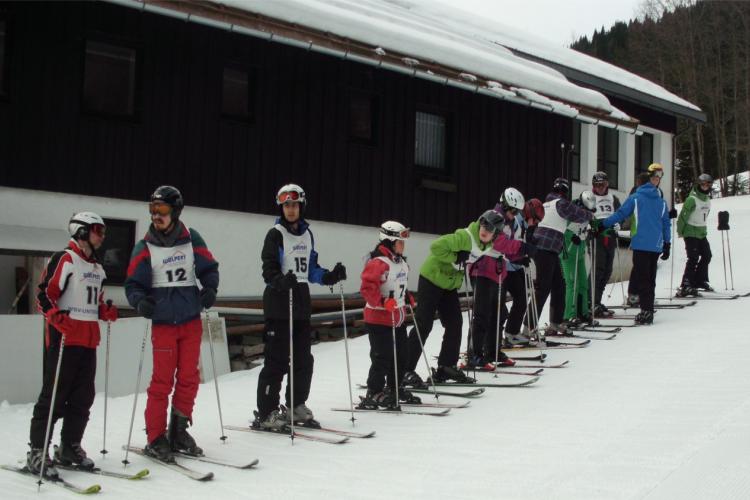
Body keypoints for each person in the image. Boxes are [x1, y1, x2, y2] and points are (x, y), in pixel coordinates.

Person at [125, 186, 220, 462]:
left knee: (189, 378)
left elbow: (208, 268)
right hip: (164, 322)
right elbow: (133, 284)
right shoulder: (144, 247)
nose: (157, 216)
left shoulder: (192, 239)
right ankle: (156, 437)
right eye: (153, 211)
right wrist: (140, 301)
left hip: (190, 319)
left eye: (162, 211)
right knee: (162, 382)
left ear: (175, 212)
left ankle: (178, 430)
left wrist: (210, 289)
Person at [28, 212, 118, 476]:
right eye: (97, 230)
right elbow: (44, 293)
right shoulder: (65, 259)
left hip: (88, 341)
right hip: (64, 338)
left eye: (103, 231)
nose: (102, 236)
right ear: (81, 231)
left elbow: (95, 302)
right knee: (54, 396)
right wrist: (54, 315)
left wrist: (105, 311)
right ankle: (37, 451)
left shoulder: (97, 267)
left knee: (82, 397)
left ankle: (69, 446)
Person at [253, 184, 346, 430]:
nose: (290, 210)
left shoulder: (307, 234)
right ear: (281, 208)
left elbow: (310, 268)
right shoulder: (276, 234)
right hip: (279, 300)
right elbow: (268, 268)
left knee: (304, 359)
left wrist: (329, 276)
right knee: (277, 360)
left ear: (301, 206)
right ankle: (267, 412)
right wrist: (280, 281)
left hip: (301, 300)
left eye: (294, 205)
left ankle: (295, 405)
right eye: (286, 206)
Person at [402, 210, 523, 387]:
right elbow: (436, 247)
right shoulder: (464, 237)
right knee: (424, 324)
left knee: (455, 323)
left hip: (449, 285)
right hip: (432, 278)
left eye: (490, 229)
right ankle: (405, 369)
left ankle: (446, 366)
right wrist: (456, 256)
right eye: (484, 226)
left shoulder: (486, 246)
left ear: (495, 234)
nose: (485, 230)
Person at [357, 221, 421, 409]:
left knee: (402, 355)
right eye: (400, 242)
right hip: (379, 318)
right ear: (389, 241)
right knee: (382, 356)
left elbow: (399, 285)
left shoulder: (401, 262)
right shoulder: (378, 263)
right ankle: (374, 391)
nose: (403, 246)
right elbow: (367, 289)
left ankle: (394, 387)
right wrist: (383, 302)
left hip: (398, 317)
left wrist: (407, 296)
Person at [464, 188, 530, 368]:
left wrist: (520, 258)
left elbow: (507, 250)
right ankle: (474, 354)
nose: (514, 215)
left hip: (498, 272)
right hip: (483, 269)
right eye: (513, 210)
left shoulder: (508, 221)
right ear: (504, 204)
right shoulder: (492, 217)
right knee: (482, 314)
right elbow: (498, 243)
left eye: (516, 212)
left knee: (498, 314)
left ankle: (492, 351)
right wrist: (521, 248)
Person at [597, 167, 671, 324]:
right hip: (656, 245)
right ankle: (648, 308)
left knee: (643, 277)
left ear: (638, 184)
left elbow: (621, 214)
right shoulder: (661, 201)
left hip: (641, 244)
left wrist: (603, 223)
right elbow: (666, 224)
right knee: (650, 278)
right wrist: (667, 243)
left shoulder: (635, 198)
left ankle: (645, 311)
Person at [527, 178, 594, 335]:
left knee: (559, 286)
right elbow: (578, 215)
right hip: (546, 250)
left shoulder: (547, 203)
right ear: (565, 192)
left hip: (545, 249)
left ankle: (556, 322)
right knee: (543, 289)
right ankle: (527, 327)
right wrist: (590, 214)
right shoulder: (561, 203)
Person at [559, 191, 597, 328]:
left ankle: (583, 313)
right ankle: (569, 315)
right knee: (572, 283)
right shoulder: (570, 211)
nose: (585, 213)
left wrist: (591, 231)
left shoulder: (586, 213)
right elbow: (561, 227)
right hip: (568, 252)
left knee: (583, 283)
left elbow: (589, 225)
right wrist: (570, 236)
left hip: (580, 251)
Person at [676, 173, 714, 296]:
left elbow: (704, 217)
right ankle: (686, 284)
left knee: (707, 255)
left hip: (701, 232)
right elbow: (683, 216)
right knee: (693, 258)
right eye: (703, 184)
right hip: (690, 232)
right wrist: (680, 231)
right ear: (698, 184)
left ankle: (699, 280)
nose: (705, 186)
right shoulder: (692, 199)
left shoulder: (707, 200)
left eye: (708, 184)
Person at [590, 172, 622, 317]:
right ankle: (591, 303)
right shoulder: (589, 198)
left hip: (610, 235)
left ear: (607, 184)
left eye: (602, 185)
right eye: (597, 185)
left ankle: (597, 301)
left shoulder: (613, 198)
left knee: (607, 270)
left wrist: (619, 224)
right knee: (598, 269)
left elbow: (620, 214)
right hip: (597, 236)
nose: (600, 188)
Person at [625, 172, 652, 307]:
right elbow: (629, 210)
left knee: (645, 268)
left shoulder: (653, 192)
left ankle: (643, 294)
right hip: (638, 234)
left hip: (648, 235)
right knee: (639, 267)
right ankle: (633, 295)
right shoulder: (636, 193)